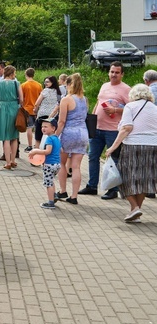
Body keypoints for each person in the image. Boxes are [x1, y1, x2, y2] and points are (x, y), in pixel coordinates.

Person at [105, 84, 157, 222]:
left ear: (133, 94)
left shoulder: (130, 106)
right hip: (153, 146)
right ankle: (135, 212)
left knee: (123, 177)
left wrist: (112, 147)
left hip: (133, 145)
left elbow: (126, 128)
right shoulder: (155, 108)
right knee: (143, 179)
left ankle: (135, 207)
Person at [79, 62, 131, 200]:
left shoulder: (126, 89)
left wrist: (115, 110)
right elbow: (98, 102)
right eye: (112, 71)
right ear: (108, 72)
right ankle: (92, 186)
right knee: (92, 157)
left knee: (113, 159)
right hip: (97, 128)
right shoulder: (104, 86)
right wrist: (93, 117)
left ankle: (113, 189)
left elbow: (131, 108)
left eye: (117, 72)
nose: (113, 74)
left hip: (114, 130)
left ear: (122, 74)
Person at [54, 74, 88, 205]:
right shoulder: (84, 99)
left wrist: (54, 136)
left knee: (62, 163)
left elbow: (61, 121)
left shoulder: (66, 99)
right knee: (76, 167)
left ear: (68, 85)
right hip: (82, 133)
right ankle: (74, 196)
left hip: (68, 133)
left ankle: (63, 190)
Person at [0, 65, 23, 169]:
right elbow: (21, 99)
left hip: (2, 108)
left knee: (6, 137)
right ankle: (13, 160)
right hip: (13, 107)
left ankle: (7, 162)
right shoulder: (16, 83)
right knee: (14, 136)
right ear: (11, 73)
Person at [30, 119, 62, 209]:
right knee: (51, 181)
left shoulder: (49, 139)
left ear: (53, 128)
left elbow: (48, 151)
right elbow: (61, 150)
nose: (43, 128)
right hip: (57, 164)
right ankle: (54, 195)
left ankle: (50, 202)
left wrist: (36, 151)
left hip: (49, 164)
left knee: (48, 184)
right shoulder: (56, 138)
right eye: (42, 127)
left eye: (46, 127)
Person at [32, 76, 61, 149]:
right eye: (45, 82)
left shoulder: (45, 91)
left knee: (38, 137)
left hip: (42, 115)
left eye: (47, 82)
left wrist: (35, 110)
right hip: (52, 117)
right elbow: (59, 104)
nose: (45, 83)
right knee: (50, 137)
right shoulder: (58, 92)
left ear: (52, 82)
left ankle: (37, 156)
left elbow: (37, 103)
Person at [21, 68, 42, 152]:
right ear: (34, 74)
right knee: (37, 128)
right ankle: (38, 144)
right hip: (37, 109)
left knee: (29, 128)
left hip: (27, 109)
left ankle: (29, 145)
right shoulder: (39, 85)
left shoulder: (23, 85)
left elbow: (22, 98)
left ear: (26, 75)